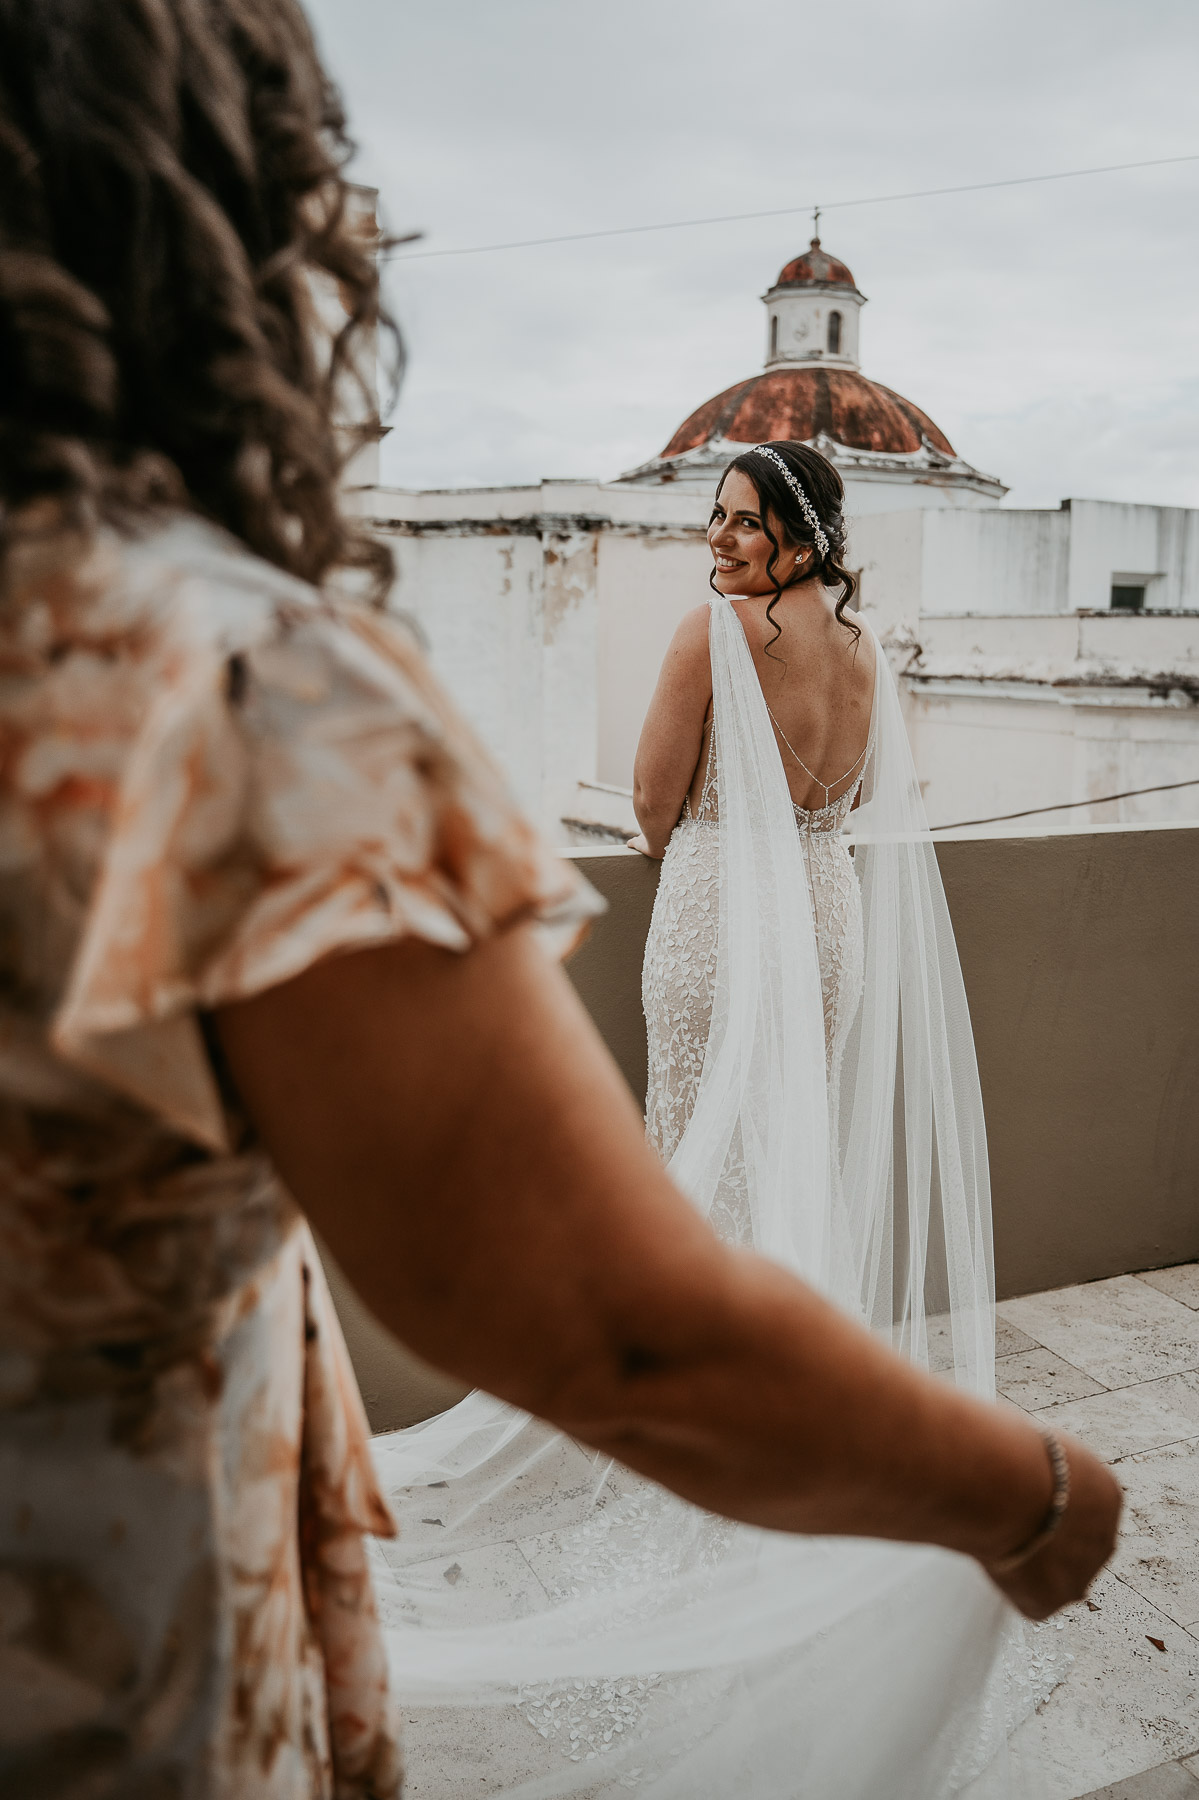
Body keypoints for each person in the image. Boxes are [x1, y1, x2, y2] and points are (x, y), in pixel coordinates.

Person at [0, 3, 1119, 1797]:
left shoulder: (632, 643)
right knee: (763, 1159)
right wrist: (1028, 1492)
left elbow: (661, 804)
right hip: (108, 1672)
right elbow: (610, 1318)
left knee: (704, 1133)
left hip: (716, 907)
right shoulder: (231, 682)